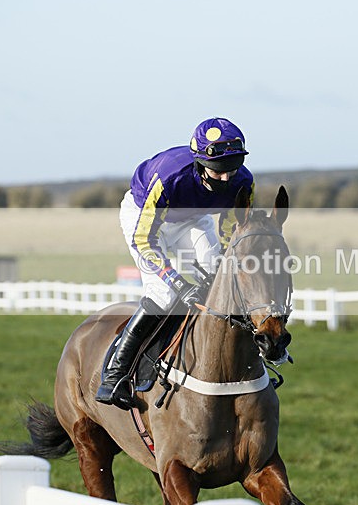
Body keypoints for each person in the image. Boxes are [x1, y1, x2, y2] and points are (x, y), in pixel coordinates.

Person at [96, 117, 255, 409]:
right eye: (217, 171)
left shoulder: (242, 182)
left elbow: (230, 234)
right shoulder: (169, 177)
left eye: (230, 170)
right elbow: (146, 241)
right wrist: (178, 281)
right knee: (165, 293)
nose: (225, 179)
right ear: (198, 162)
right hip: (144, 218)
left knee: (217, 276)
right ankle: (115, 372)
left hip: (192, 218)